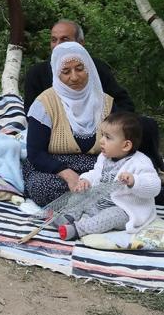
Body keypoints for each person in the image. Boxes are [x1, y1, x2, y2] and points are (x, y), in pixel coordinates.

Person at [23, 20, 164, 171]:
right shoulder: (37, 74)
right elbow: (31, 114)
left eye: (64, 39)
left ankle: (151, 168)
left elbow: (123, 101)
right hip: (54, 131)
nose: (74, 77)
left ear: (81, 43)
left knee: (145, 126)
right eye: (53, 40)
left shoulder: (96, 69)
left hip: (101, 127)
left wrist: (108, 121)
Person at [22, 41, 116, 207]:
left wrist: (96, 174)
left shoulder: (106, 103)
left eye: (80, 69)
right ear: (56, 74)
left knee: (123, 178)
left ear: (89, 69)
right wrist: (68, 174)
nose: (74, 77)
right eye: (66, 71)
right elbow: (35, 153)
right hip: (53, 168)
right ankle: (97, 203)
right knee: (42, 187)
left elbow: (119, 145)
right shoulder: (45, 104)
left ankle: (80, 204)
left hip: (96, 166)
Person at [56, 112, 161, 241]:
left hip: (124, 210)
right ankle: (67, 216)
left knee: (110, 216)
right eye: (102, 135)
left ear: (126, 145)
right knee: (79, 194)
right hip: (98, 203)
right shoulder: (104, 157)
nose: (101, 141)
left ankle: (78, 229)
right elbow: (96, 173)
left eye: (108, 137)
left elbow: (154, 187)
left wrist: (134, 181)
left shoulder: (140, 162)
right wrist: (85, 180)